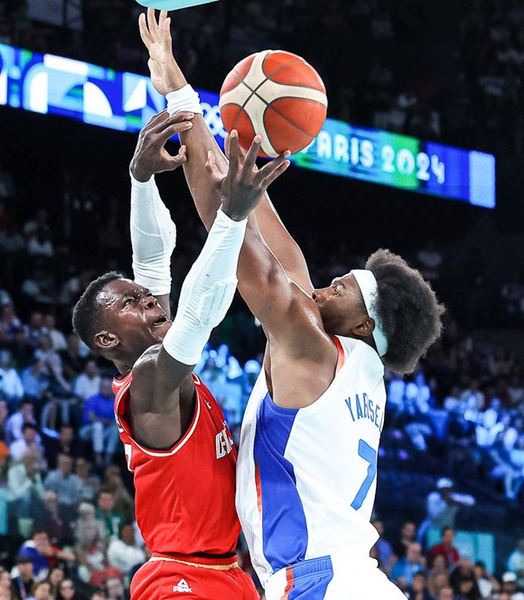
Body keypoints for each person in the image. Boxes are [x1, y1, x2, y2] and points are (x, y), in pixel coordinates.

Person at [139, 10, 444, 598]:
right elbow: (261, 225)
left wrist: (179, 92)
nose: (329, 285)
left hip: (322, 585)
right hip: (351, 580)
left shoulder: (311, 344)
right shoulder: (349, 361)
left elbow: (227, 224)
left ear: (362, 322)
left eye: (345, 287)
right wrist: (242, 145)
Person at [70, 105, 281, 597]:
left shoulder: (152, 356)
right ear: (108, 340)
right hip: (179, 580)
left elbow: (151, 258)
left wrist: (141, 179)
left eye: (143, 294)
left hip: (224, 572)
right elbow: (198, 314)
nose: (146, 297)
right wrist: (231, 216)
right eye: (130, 301)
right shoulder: (148, 382)